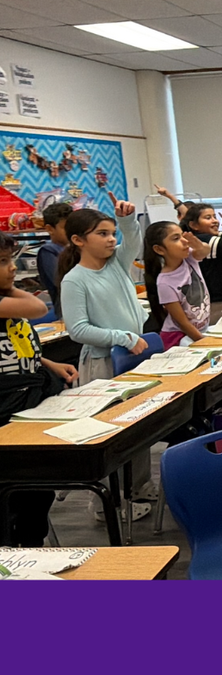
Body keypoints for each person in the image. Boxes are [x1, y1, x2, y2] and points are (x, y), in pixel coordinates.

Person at [58, 196, 156, 521]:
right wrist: (122, 336)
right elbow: (78, 330)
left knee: (137, 426)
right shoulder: (75, 280)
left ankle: (139, 488)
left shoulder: (115, 263)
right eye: (102, 233)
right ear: (78, 240)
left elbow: (134, 242)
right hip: (102, 364)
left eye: (113, 233)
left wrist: (125, 219)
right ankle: (105, 505)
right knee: (109, 435)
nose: (112, 239)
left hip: (132, 358)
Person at [0, 232, 78, 545]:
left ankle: (30, 542)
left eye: (11, 260)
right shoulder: (11, 301)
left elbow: (16, 346)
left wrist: (47, 363)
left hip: (26, 401)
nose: (12, 268)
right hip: (5, 408)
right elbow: (36, 307)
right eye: (3, 263)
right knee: (16, 490)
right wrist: (10, 287)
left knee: (37, 484)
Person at [144, 221, 211, 350]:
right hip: (178, 338)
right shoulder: (164, 282)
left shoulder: (189, 258)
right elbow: (183, 323)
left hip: (199, 332)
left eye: (182, 236)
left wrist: (198, 244)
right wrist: (205, 343)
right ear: (159, 249)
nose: (184, 241)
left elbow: (205, 250)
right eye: (176, 238)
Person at [37, 202, 73, 318]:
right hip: (67, 311)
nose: (70, 232)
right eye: (65, 228)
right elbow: (61, 281)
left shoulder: (77, 249)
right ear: (49, 229)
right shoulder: (48, 251)